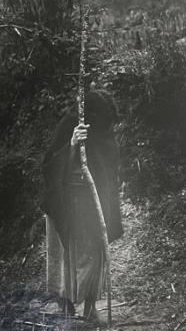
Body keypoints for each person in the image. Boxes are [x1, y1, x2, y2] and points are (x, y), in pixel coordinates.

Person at [41, 90, 123, 322]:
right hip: (68, 202)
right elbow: (49, 164)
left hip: (94, 202)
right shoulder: (71, 124)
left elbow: (110, 166)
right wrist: (72, 144)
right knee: (68, 255)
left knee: (95, 252)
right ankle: (66, 305)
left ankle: (90, 307)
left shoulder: (104, 129)